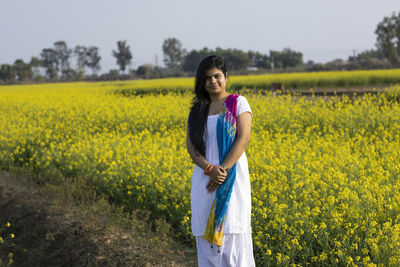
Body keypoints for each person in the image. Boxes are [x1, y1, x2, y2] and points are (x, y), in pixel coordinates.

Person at [186, 55, 255, 267]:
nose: (213, 81)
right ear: (201, 81)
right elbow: (191, 147)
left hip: (231, 179)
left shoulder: (238, 103)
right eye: (207, 78)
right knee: (207, 247)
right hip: (205, 180)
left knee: (233, 234)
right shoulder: (197, 111)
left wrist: (222, 170)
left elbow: (242, 139)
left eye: (217, 76)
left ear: (226, 77)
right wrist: (209, 169)